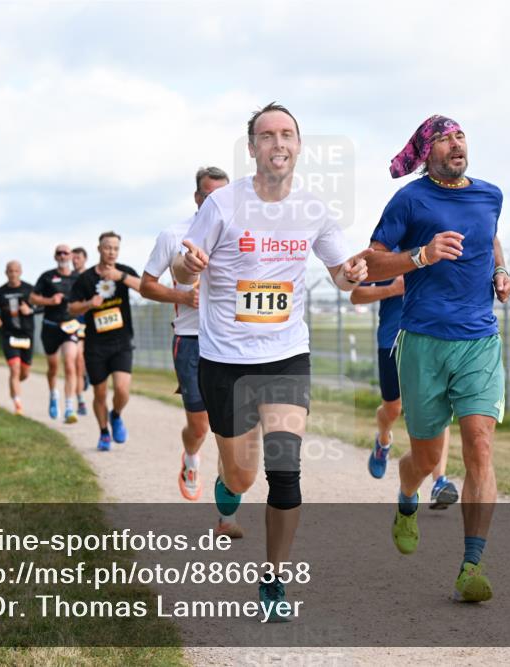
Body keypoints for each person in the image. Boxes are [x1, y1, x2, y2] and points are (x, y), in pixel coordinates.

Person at [173, 103, 368, 619]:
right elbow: (183, 267)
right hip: (224, 359)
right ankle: (226, 484)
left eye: (287, 134)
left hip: (286, 355)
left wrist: (352, 271)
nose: (278, 142)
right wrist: (187, 263)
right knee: (241, 476)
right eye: (267, 135)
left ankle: (274, 579)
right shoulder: (222, 205)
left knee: (285, 471)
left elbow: (342, 277)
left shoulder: (314, 209)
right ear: (253, 147)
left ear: (299, 146)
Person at [363, 114, 510, 603]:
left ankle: (472, 564)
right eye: (445, 137)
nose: (457, 142)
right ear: (427, 152)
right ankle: (407, 498)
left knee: (480, 444)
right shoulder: (410, 199)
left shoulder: (490, 194)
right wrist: (422, 255)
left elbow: (489, 235)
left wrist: (502, 271)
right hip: (423, 341)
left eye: (461, 134)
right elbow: (372, 260)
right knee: (427, 459)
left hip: (479, 339)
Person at [141, 166, 233, 509]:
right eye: (210, 197)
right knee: (200, 427)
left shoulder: (239, 232)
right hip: (190, 338)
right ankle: (191, 457)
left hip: (229, 340)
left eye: (223, 197)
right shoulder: (173, 234)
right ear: (198, 199)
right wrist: (182, 297)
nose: (217, 204)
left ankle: (227, 511)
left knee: (230, 430)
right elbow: (147, 285)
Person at [350, 274, 459, 509]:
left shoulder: (438, 246)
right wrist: (392, 289)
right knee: (393, 409)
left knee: (438, 407)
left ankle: (439, 481)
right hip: (393, 341)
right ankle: (383, 440)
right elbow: (356, 295)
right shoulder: (387, 249)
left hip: (433, 340)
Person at [69, 232, 140, 451]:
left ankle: (116, 415)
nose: (111, 252)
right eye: (107, 247)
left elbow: (144, 287)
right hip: (95, 345)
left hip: (121, 341)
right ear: (99, 249)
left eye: (115, 248)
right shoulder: (86, 279)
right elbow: (71, 308)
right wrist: (89, 303)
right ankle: (103, 433)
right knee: (99, 393)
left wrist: (122, 277)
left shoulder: (124, 272)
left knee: (122, 389)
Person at [31, 245, 82, 423]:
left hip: (70, 326)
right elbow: (32, 298)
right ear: (55, 256)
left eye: (65, 253)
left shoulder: (78, 277)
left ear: (71, 256)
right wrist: (49, 301)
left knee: (70, 363)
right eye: (59, 253)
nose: (62, 255)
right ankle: (53, 395)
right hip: (50, 326)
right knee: (53, 367)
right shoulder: (46, 277)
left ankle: (69, 408)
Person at [0, 261, 35, 415]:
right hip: (9, 334)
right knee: (14, 369)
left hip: (27, 334)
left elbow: (42, 305)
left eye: (16, 271)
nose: (13, 274)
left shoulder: (29, 289)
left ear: (20, 272)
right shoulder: (0, 292)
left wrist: (30, 310)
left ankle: (14, 384)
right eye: (10, 271)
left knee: (24, 373)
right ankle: (18, 405)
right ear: (6, 272)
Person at [71, 247, 90, 417]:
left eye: (78, 257)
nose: (74, 260)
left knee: (87, 361)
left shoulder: (92, 277)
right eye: (73, 257)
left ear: (85, 259)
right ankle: (80, 401)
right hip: (75, 325)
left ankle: (86, 375)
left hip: (93, 325)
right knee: (78, 360)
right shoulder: (68, 279)